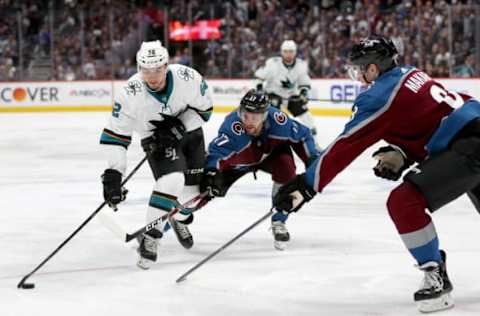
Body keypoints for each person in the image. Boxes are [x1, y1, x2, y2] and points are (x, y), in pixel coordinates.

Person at [272, 35, 480, 313]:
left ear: (373, 68)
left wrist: (306, 185)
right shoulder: (411, 73)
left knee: (404, 202)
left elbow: (345, 145)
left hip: (470, 149)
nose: (357, 75)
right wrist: (404, 153)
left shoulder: (378, 95)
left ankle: (436, 276)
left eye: (359, 68)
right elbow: (431, 122)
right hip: (472, 134)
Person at [100, 40, 213, 269]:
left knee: (193, 196)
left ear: (166, 65)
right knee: (172, 180)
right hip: (156, 140)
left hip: (191, 135)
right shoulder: (130, 93)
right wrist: (113, 173)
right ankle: (151, 238)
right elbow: (115, 135)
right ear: (139, 68)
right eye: (146, 70)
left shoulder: (187, 78)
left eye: (157, 70)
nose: (152, 76)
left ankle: (177, 217)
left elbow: (205, 110)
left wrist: (180, 125)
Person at [200, 89, 318, 250]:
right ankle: (181, 216)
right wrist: (211, 172)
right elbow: (216, 153)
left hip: (269, 156)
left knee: (286, 166)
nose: (248, 121)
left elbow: (304, 134)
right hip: (239, 161)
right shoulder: (233, 126)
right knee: (209, 185)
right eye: (245, 115)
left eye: (255, 117)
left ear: (265, 116)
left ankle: (279, 220)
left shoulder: (279, 121)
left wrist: (311, 159)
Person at [254, 40, 320, 146]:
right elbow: (259, 78)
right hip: (273, 94)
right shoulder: (273, 63)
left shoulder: (301, 65)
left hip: (291, 96)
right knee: (272, 118)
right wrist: (260, 90)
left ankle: (315, 143)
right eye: (285, 51)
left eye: (291, 51)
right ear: (281, 52)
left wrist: (303, 94)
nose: (288, 54)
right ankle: (265, 142)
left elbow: (304, 83)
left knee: (307, 117)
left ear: (295, 52)